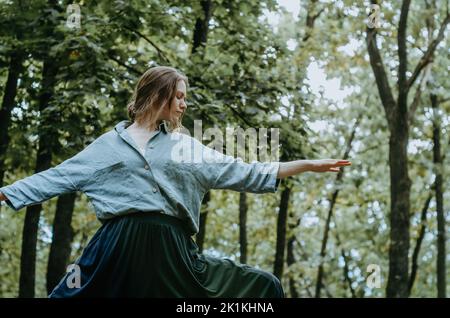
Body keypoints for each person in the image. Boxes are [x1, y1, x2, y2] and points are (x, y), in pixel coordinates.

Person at [0, 66, 351, 298]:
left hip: (174, 254)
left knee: (263, 288)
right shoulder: (107, 145)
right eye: (179, 96)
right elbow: (59, 177)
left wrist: (306, 165)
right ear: (159, 94)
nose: (184, 104)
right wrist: (5, 193)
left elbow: (245, 171)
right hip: (118, 251)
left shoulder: (186, 147)